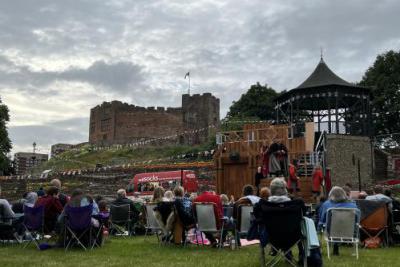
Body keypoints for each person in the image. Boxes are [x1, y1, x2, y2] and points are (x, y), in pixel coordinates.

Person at [318, 186, 359, 256]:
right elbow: (357, 220)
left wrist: (319, 227)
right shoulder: (353, 205)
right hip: (350, 233)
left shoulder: (327, 205)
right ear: (344, 195)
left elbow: (322, 219)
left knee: (324, 224)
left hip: (331, 232)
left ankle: (324, 248)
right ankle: (353, 250)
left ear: (331, 195)